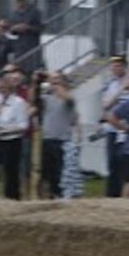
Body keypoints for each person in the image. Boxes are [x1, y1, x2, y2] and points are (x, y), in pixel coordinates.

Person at [0, 73, 29, 200]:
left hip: (12, 140)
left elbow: (23, 125)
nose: (1, 92)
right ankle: (2, 193)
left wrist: (6, 131)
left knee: (11, 170)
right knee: (1, 169)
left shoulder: (18, 103)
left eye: (3, 89)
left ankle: (13, 196)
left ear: (10, 89)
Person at [40, 70, 76, 198]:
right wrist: (35, 82)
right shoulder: (46, 97)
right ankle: (48, 196)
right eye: (51, 79)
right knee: (46, 173)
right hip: (47, 138)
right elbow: (33, 101)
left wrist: (56, 85)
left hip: (61, 140)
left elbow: (69, 99)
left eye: (57, 78)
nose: (53, 81)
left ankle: (59, 196)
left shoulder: (68, 96)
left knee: (59, 173)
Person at [100, 56, 129, 197]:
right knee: (112, 162)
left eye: (119, 65)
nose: (115, 68)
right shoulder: (111, 84)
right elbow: (106, 105)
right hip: (112, 128)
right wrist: (118, 93)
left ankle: (123, 193)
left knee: (124, 163)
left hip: (126, 130)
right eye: (114, 66)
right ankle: (111, 194)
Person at [9, 0, 43, 74]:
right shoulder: (14, 13)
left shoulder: (35, 12)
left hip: (32, 46)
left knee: (32, 71)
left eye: (21, 0)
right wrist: (14, 28)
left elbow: (41, 28)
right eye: (18, 0)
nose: (19, 2)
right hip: (20, 47)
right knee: (19, 71)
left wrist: (28, 28)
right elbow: (11, 30)